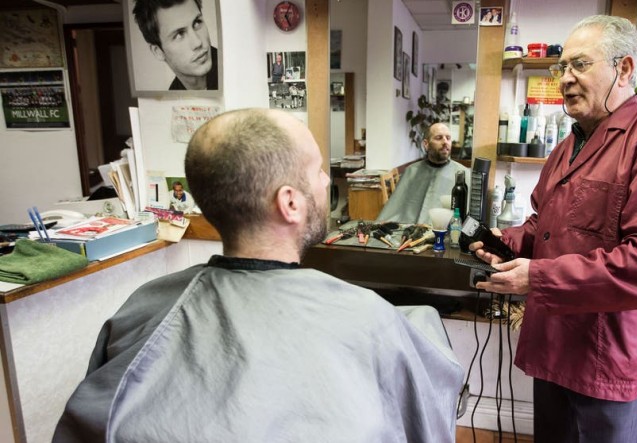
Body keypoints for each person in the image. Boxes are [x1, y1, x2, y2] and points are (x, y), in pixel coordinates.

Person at [53, 109, 464, 442]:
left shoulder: (142, 306)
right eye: (318, 170)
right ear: (289, 203)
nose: (325, 181)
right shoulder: (369, 316)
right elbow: (426, 414)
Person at [470, 15, 637, 443]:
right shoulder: (570, 145)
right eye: (562, 67)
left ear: (624, 69)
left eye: (580, 65)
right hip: (557, 343)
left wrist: (537, 276)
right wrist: (506, 244)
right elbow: (547, 223)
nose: (565, 79)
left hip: (608, 357)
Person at [377, 122, 469, 224]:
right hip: (411, 232)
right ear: (426, 144)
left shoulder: (463, 174)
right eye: (439, 138)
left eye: (448, 138)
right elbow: (392, 212)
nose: (445, 142)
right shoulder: (412, 171)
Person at [133, 0, 219, 91]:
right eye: (179, 34)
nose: (197, 43)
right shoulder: (171, 97)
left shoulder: (232, 68)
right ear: (158, 52)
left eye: (197, 22)